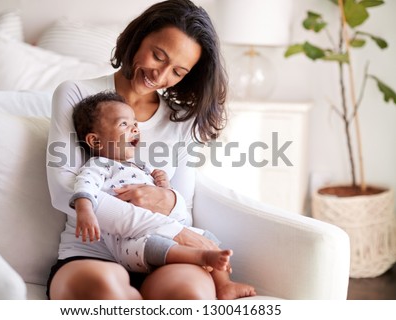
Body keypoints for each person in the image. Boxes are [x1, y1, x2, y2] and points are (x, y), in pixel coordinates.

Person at [46, 0, 255, 300]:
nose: (160, 76)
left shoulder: (180, 121)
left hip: (162, 252)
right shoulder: (77, 94)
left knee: (191, 293)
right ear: (139, 37)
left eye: (178, 72)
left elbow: (184, 209)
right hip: (90, 251)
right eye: (158, 56)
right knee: (108, 287)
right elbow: (64, 191)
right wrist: (170, 225)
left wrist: (167, 199)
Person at [70, 91, 239, 279]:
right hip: (132, 241)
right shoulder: (99, 165)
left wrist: (164, 186)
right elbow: (85, 187)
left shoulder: (143, 167)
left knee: (207, 237)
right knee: (156, 246)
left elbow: (164, 202)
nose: (134, 129)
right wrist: (84, 210)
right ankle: (201, 256)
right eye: (124, 124)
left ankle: (224, 285)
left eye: (135, 123)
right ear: (95, 140)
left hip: (166, 228)